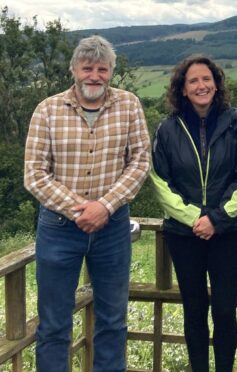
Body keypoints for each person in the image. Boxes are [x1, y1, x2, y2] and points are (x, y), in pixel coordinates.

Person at [23, 35, 150, 371]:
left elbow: (140, 162)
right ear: (74, 70)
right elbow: (35, 174)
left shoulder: (129, 105)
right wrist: (80, 208)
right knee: (53, 323)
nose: (94, 75)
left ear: (111, 72)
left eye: (102, 69)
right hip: (59, 228)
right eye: (87, 68)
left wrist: (105, 206)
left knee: (112, 319)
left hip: (112, 228)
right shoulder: (47, 110)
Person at [150, 55, 237, 371]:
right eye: (193, 80)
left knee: (224, 311)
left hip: (227, 232)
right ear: (182, 89)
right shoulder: (167, 129)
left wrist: (217, 218)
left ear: (217, 83)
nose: (201, 86)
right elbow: (158, 180)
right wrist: (193, 217)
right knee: (193, 311)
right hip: (184, 234)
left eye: (206, 79)